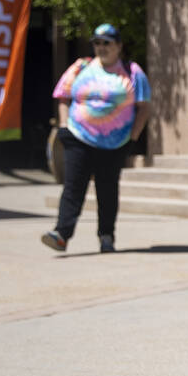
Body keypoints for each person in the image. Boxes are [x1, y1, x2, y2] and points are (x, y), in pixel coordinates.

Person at [41, 24, 152, 254]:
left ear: (118, 46)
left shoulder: (132, 72)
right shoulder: (81, 67)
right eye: (97, 42)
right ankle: (62, 233)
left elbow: (144, 108)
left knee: (107, 190)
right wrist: (64, 127)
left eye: (107, 42)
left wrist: (132, 138)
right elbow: (63, 96)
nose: (101, 47)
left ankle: (106, 236)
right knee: (73, 186)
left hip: (115, 143)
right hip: (79, 136)